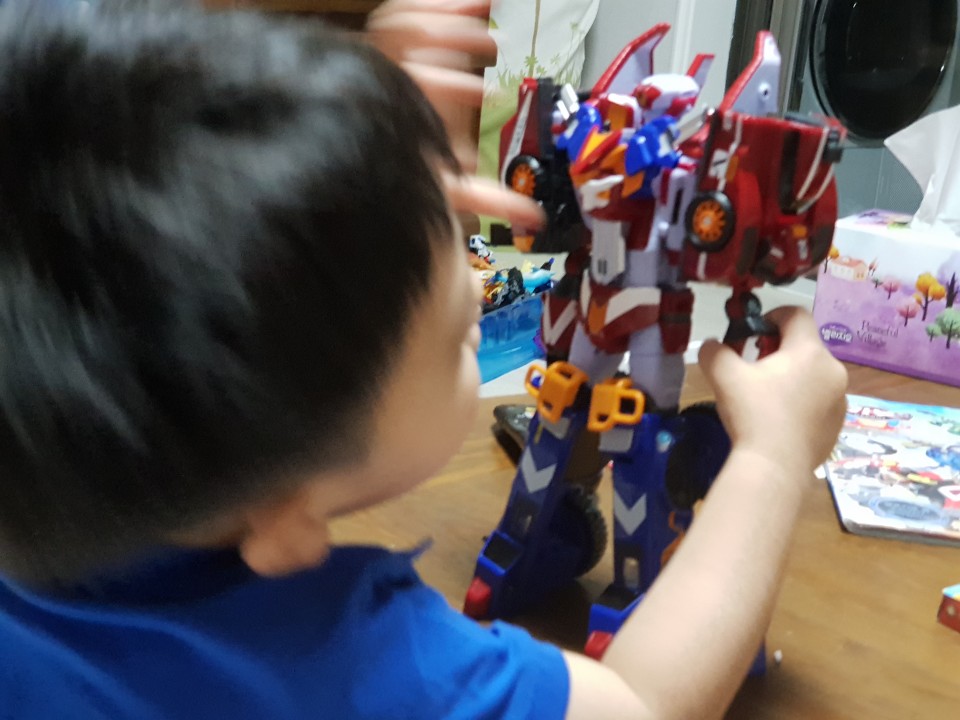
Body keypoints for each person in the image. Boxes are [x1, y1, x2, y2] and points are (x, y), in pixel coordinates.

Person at [0, 1, 848, 719]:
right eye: (459, 337)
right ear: (285, 515)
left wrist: (351, 161)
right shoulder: (376, 670)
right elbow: (644, 703)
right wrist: (772, 459)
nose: (481, 292)